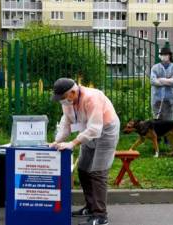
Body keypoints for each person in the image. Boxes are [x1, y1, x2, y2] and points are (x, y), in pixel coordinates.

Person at [50, 78, 120, 225]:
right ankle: (90, 207)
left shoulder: (92, 98)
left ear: (73, 92)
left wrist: (73, 143)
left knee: (97, 172)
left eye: (62, 98)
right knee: (83, 169)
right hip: (86, 130)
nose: (61, 102)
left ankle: (101, 216)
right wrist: (57, 142)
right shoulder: (68, 102)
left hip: (106, 131)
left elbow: (95, 129)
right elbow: (66, 123)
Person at [150, 47, 173, 121]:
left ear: (170, 55)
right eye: (162, 54)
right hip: (157, 99)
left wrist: (160, 79)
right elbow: (153, 81)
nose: (164, 56)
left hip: (170, 99)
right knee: (157, 120)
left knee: (170, 122)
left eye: (166, 54)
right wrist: (168, 80)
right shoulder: (155, 68)